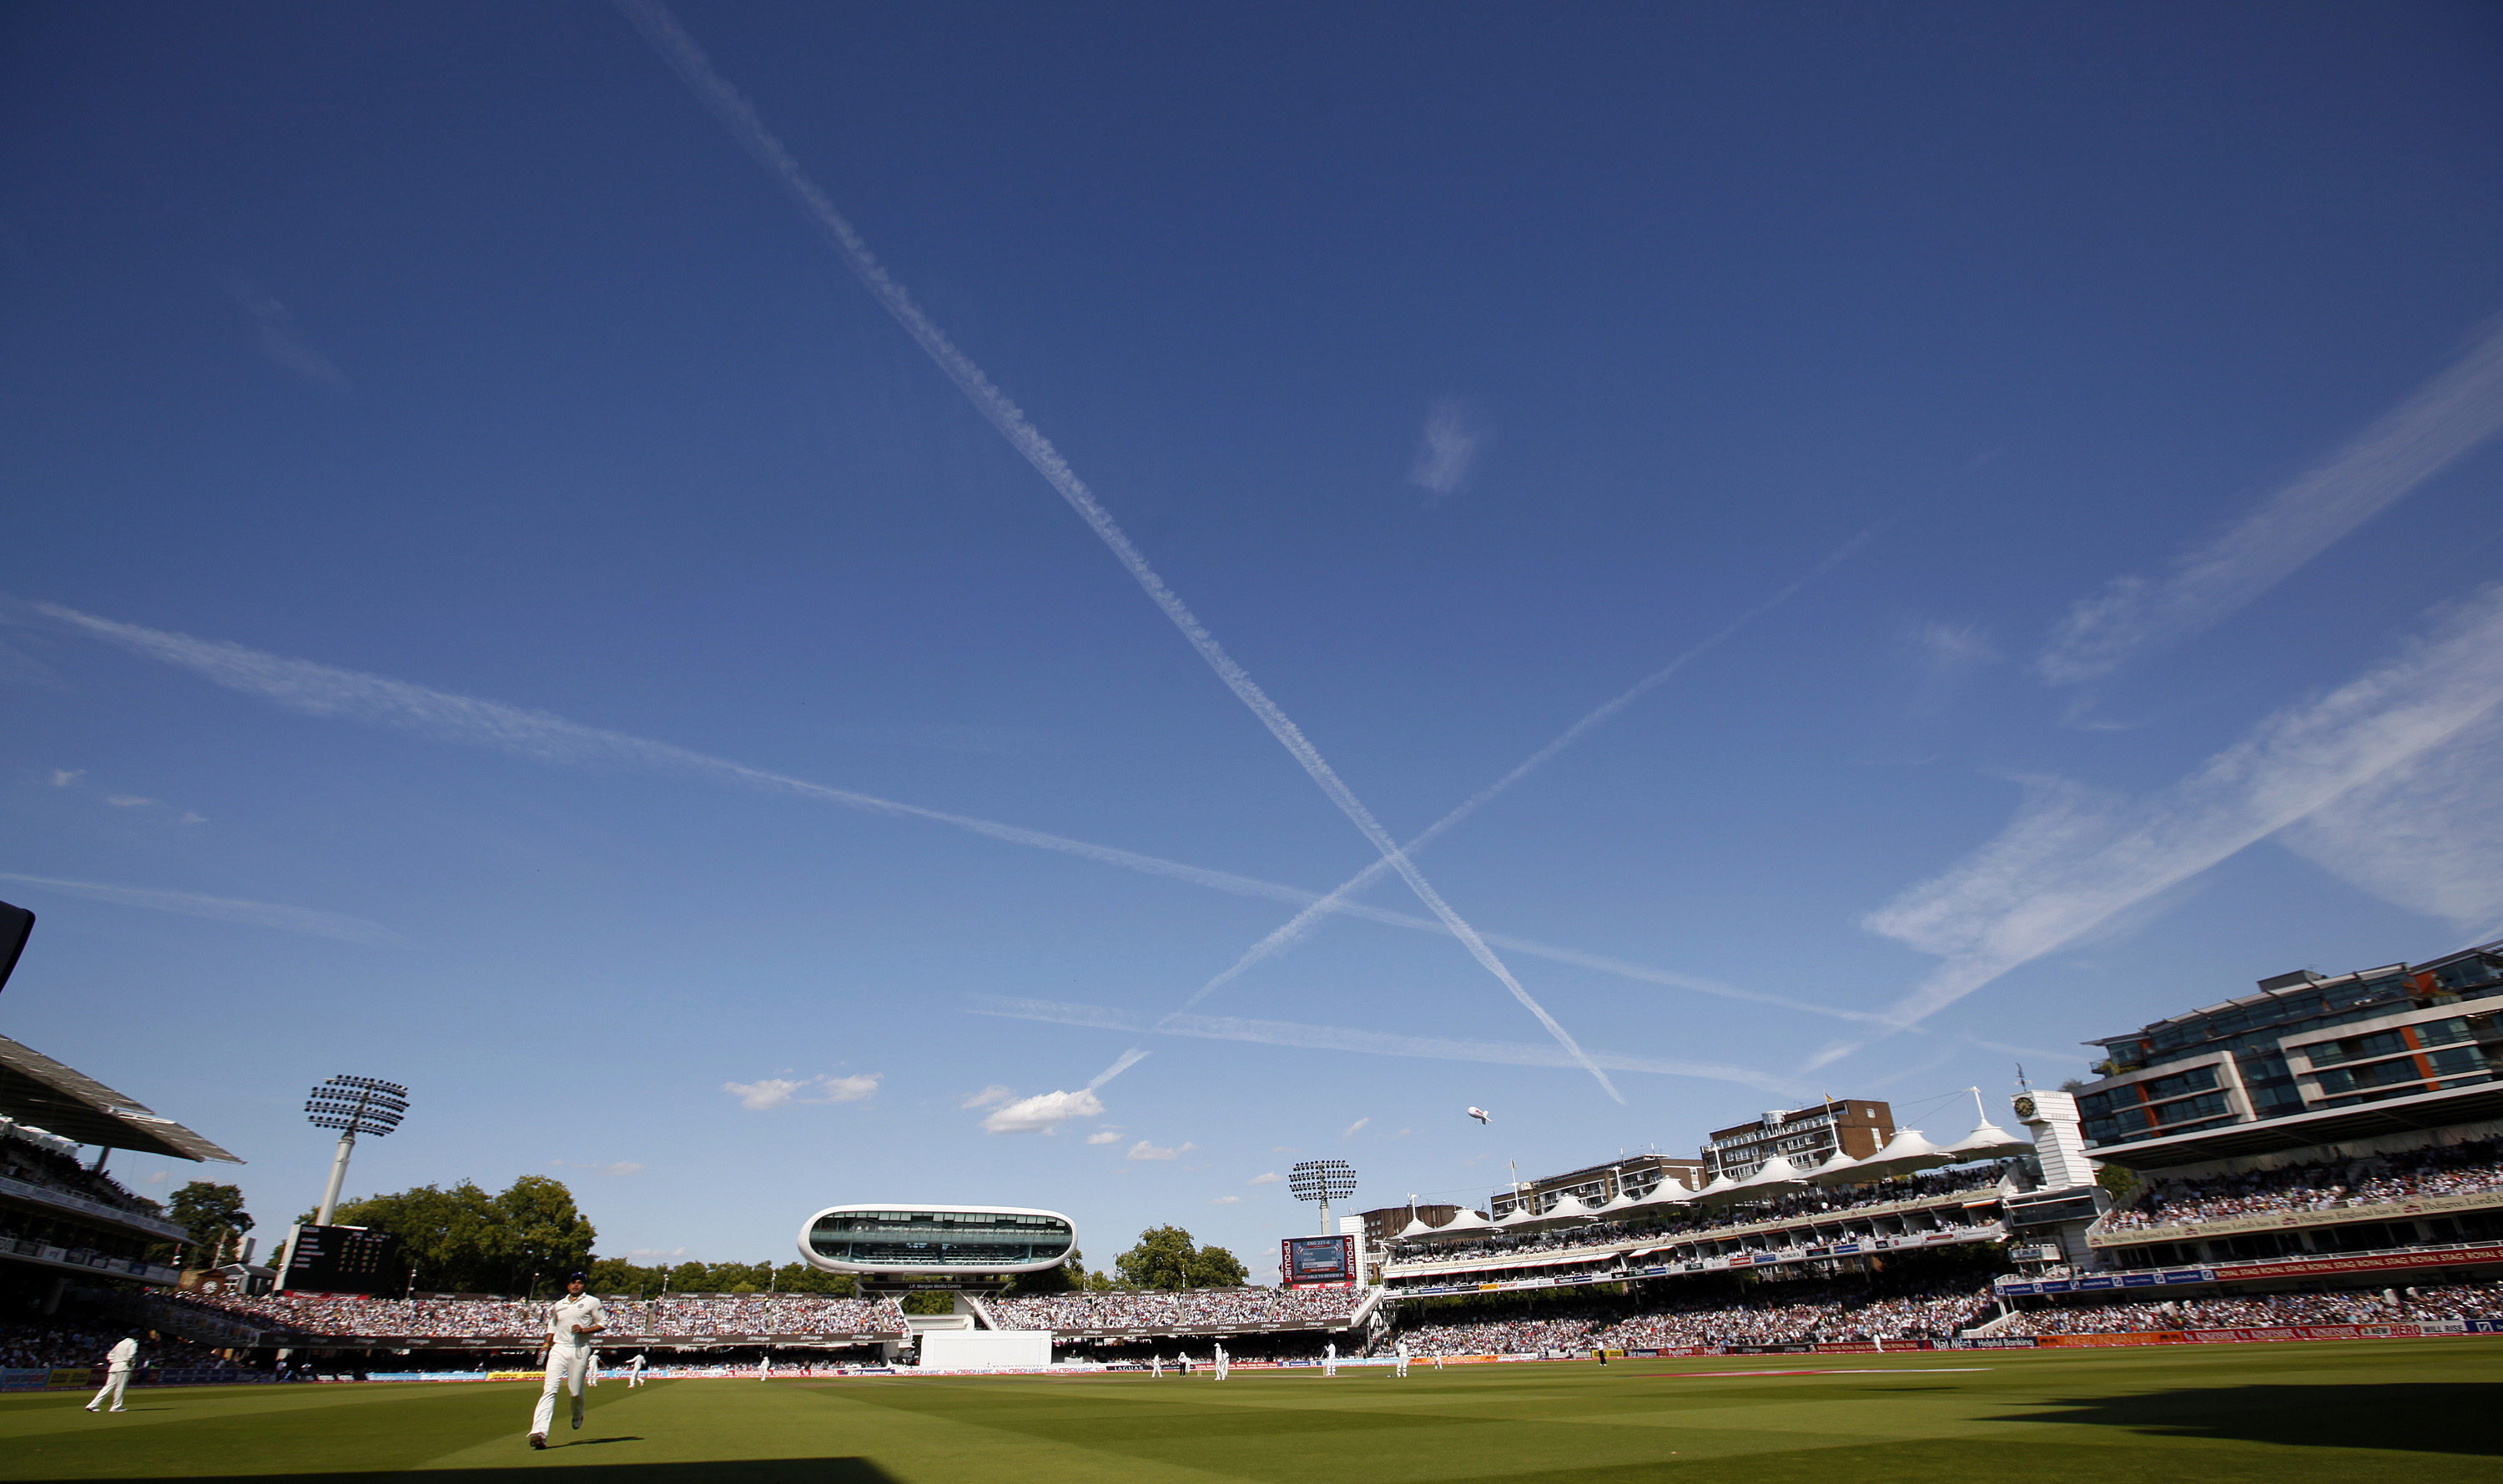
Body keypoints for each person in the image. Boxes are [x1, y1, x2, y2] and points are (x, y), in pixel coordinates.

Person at [528, 1272, 607, 1449]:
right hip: (559, 1348)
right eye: (573, 1282)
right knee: (549, 1390)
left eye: (580, 1283)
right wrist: (546, 1344)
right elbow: (552, 1325)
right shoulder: (559, 1305)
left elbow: (603, 1324)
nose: (576, 1285)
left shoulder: (592, 1302)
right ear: (568, 1285)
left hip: (579, 1349)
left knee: (575, 1393)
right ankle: (539, 1432)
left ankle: (578, 1414)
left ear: (584, 1286)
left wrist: (584, 1330)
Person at [84, 1331, 141, 1414]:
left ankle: (92, 1405)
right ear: (135, 1335)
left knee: (108, 1387)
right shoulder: (133, 1343)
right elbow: (132, 1354)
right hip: (124, 1367)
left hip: (114, 1367)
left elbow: (110, 1355)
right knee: (120, 1387)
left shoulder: (120, 1343)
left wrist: (115, 1362)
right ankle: (116, 1407)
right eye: (138, 1335)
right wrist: (129, 1361)